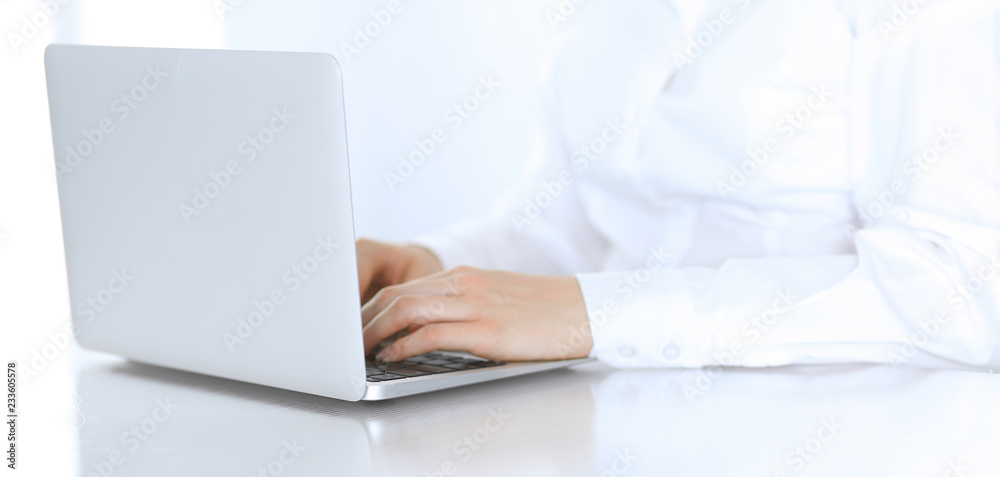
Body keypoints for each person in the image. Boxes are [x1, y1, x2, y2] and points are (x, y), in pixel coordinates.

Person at [357, 0, 1000, 370]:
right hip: (591, 422)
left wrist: (600, 314)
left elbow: (960, 288)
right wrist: (432, 271)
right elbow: (567, 227)